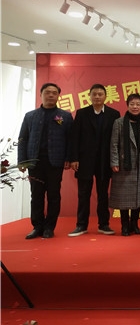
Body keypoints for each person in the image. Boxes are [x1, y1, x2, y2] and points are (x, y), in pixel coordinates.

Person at [18, 82, 73, 239]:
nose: (50, 95)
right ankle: (37, 226)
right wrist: (22, 160)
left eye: (54, 93)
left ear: (58, 96)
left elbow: (71, 139)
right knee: (36, 195)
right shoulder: (30, 116)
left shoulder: (65, 116)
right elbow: (23, 139)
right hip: (34, 162)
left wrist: (68, 158)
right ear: (41, 94)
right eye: (47, 92)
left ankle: (49, 227)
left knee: (54, 195)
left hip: (55, 162)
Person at [69, 84, 120, 237]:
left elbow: (117, 139)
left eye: (100, 94)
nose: (97, 96)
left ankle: (104, 224)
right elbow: (74, 137)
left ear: (105, 96)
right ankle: (81, 225)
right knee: (83, 194)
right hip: (84, 160)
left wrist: (115, 160)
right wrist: (74, 158)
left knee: (103, 194)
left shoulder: (114, 114)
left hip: (105, 161)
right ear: (89, 96)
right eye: (94, 94)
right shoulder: (82, 113)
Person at [109, 93, 140, 236]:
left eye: (138, 104)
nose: (135, 107)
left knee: (139, 196)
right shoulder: (119, 122)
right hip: (124, 164)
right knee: (123, 197)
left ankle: (135, 224)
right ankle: (125, 225)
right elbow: (114, 144)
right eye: (132, 104)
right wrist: (114, 162)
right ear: (127, 105)